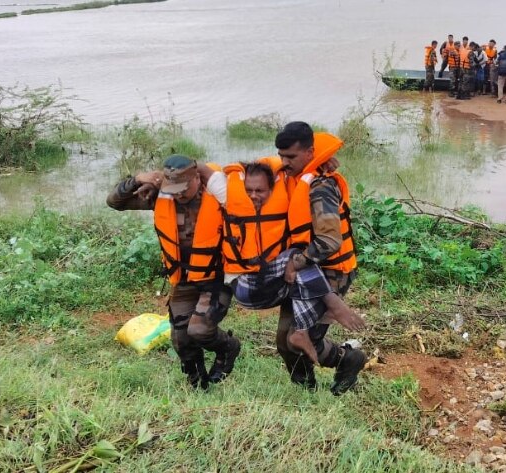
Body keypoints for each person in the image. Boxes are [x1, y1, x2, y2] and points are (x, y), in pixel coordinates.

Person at [198, 154, 365, 365]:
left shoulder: (285, 193)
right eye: (248, 190)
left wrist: (321, 161)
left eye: (260, 191)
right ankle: (331, 303)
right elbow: (200, 168)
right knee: (295, 258)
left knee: (287, 341)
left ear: (272, 188)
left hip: (275, 282)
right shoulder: (229, 195)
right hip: (246, 288)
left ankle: (307, 376)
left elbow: (299, 164)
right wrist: (159, 177)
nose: (253, 196)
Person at [106, 155, 241, 389]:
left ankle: (228, 347)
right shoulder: (161, 195)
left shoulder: (220, 194)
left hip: (216, 278)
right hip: (183, 279)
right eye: (173, 188)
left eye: (184, 188)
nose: (178, 194)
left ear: (197, 178)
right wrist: (139, 179)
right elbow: (115, 202)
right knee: (180, 339)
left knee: (199, 330)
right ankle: (198, 383)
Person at [274, 122, 367, 395]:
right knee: (284, 340)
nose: (284, 162)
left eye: (290, 157)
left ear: (310, 152)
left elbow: (329, 241)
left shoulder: (321, 187)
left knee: (305, 337)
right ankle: (305, 390)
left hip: (330, 273)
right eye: (281, 156)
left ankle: (349, 360)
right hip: (304, 270)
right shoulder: (293, 177)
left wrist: (296, 262)